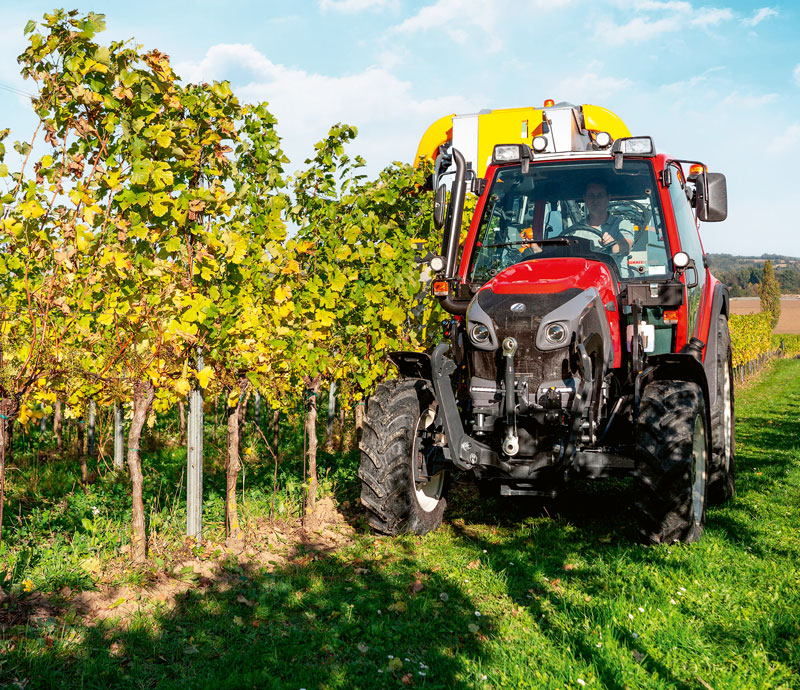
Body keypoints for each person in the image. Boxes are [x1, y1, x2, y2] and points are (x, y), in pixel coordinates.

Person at [576, 180, 634, 255]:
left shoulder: (621, 224)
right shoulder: (575, 230)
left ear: (608, 198)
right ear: (584, 198)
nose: (595, 200)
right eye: (591, 196)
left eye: (600, 196)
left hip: (612, 267)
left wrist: (612, 246)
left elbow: (626, 246)